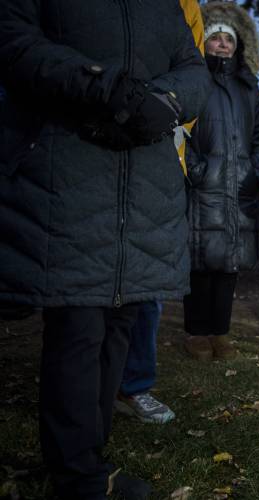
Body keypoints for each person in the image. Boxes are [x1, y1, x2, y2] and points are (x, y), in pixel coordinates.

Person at [0, 1, 210, 497]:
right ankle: (76, 473)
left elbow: (194, 67)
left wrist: (164, 101)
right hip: (68, 173)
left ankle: (89, 457)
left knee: (122, 319)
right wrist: (102, 85)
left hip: (143, 184)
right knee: (78, 321)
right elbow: (14, 40)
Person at [115, 0, 205, 426]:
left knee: (148, 281)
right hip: (96, 144)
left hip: (160, 154)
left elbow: (193, 73)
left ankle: (135, 385)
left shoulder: (183, 6)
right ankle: (95, 382)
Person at [183, 1, 259, 362]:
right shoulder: (194, 80)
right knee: (200, 262)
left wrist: (258, 170)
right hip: (205, 186)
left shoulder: (249, 87)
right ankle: (195, 333)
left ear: (238, 44)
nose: (221, 44)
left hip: (241, 186)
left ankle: (221, 332)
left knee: (230, 265)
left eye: (228, 39)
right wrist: (196, 171)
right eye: (215, 37)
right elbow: (179, 132)